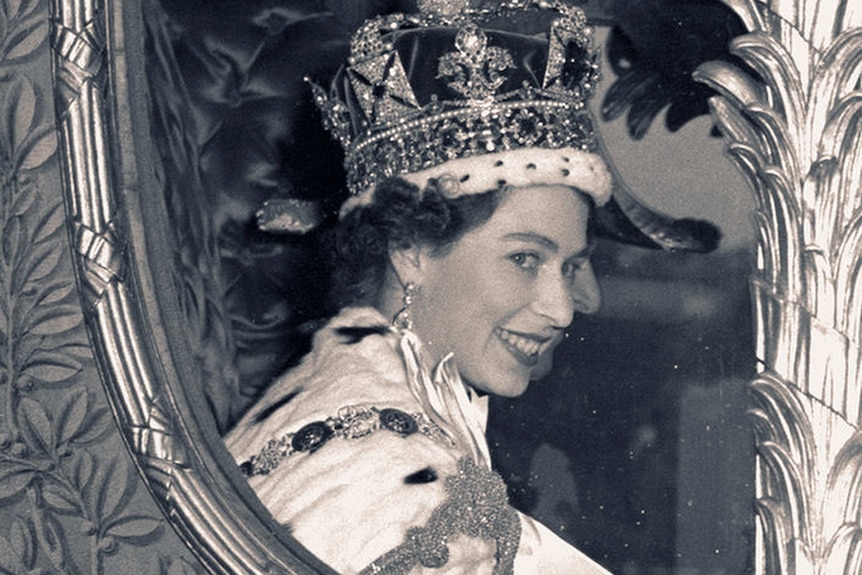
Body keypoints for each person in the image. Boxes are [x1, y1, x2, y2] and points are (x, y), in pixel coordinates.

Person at [224, 1, 718, 573]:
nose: (561, 310)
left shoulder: (337, 406)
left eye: (570, 266)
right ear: (410, 250)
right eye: (524, 258)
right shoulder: (411, 494)